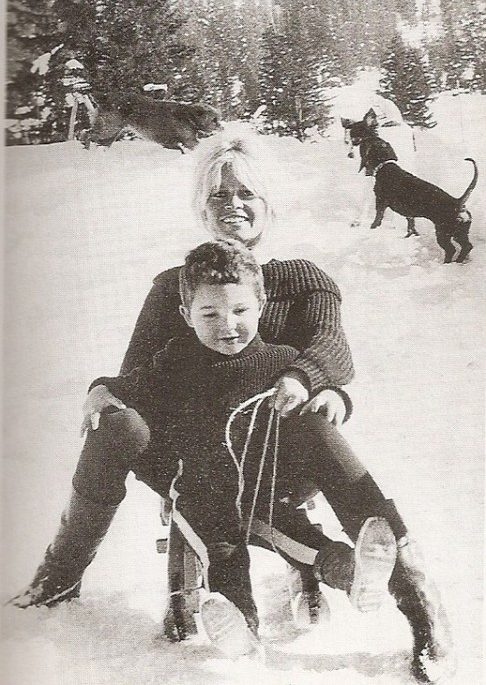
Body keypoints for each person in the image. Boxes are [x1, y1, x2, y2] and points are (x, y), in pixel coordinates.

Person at [9, 125, 453, 683]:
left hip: (284, 445)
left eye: (246, 194)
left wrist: (314, 381)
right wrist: (105, 391)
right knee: (114, 424)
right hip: (197, 456)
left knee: (318, 427)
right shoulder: (177, 285)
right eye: (219, 195)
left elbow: (330, 348)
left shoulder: (303, 279)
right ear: (202, 205)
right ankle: (62, 573)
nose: (233, 207)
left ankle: (417, 599)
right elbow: (142, 373)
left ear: (269, 202)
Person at [81, 239, 398, 659]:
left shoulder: (281, 362)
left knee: (298, 538)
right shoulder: (175, 361)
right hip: (199, 495)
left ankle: (358, 576)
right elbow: (133, 386)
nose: (226, 324)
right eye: (209, 313)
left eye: (240, 311)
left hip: (261, 491)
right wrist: (100, 390)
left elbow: (323, 387)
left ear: (262, 308)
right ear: (185, 316)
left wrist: (337, 398)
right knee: (222, 554)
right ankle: (241, 629)